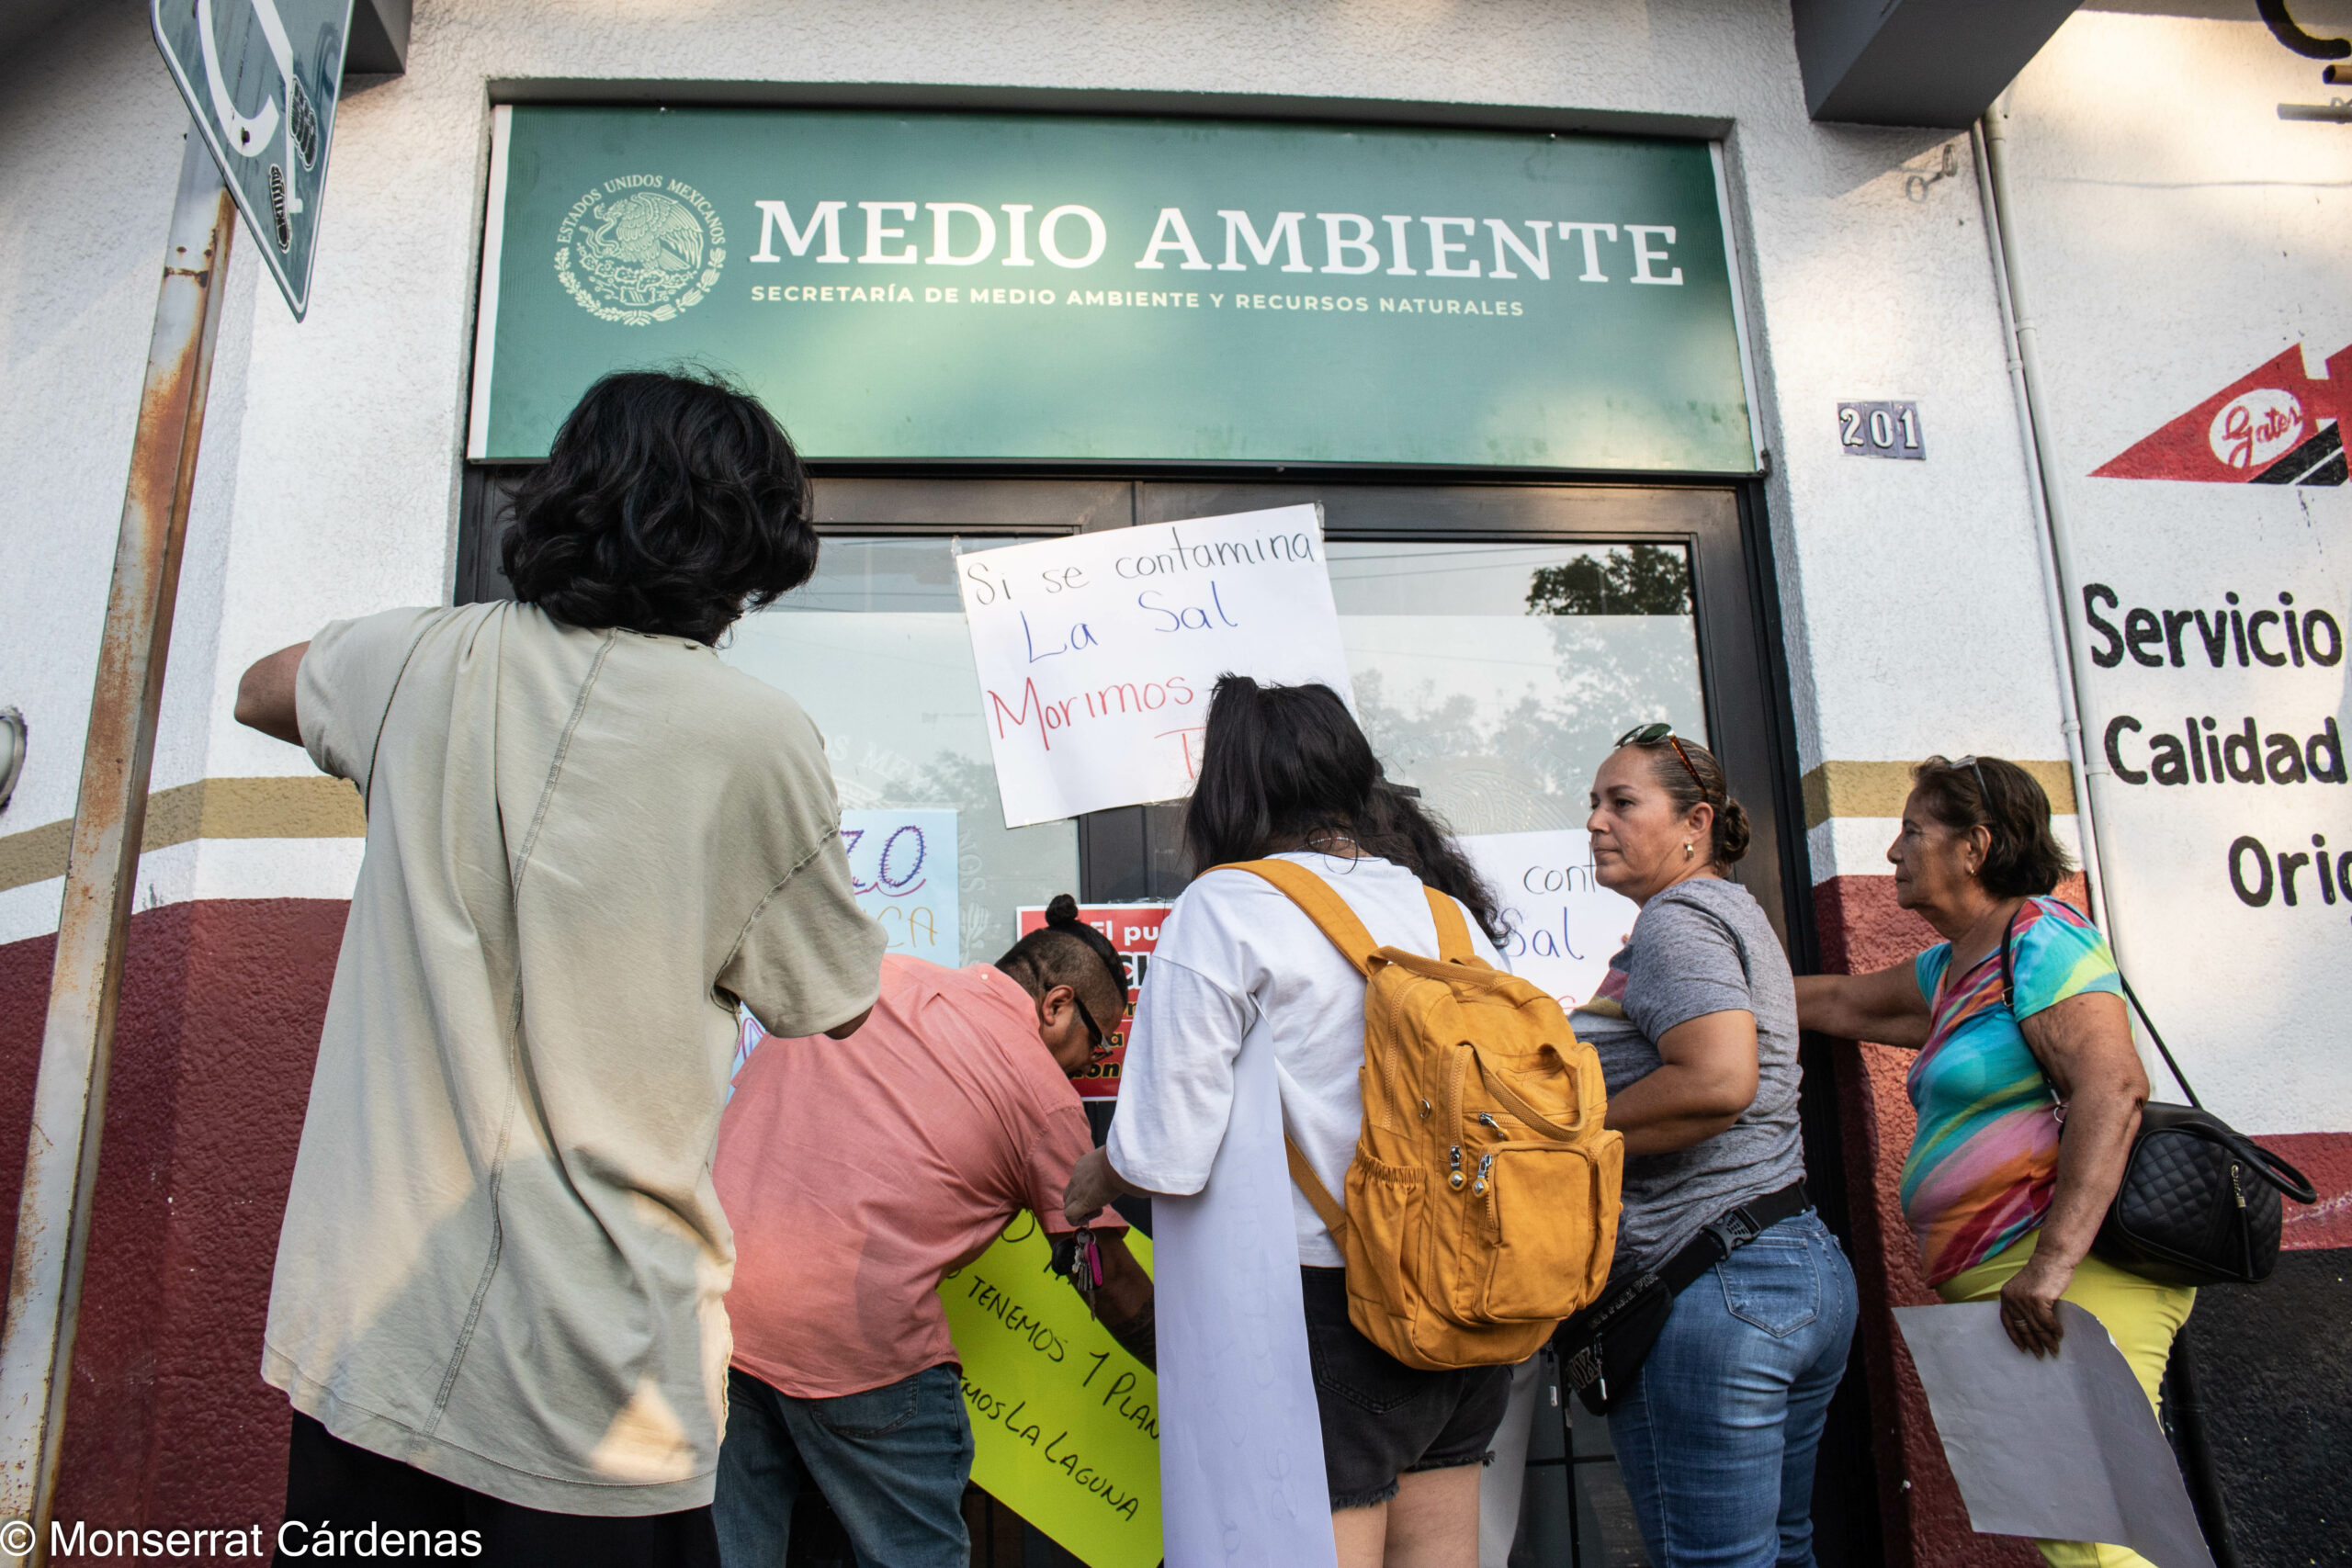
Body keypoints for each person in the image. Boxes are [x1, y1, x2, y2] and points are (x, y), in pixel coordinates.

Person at [232, 370, 886, 1564]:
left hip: (377, 1345)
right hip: (606, 1378)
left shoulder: (413, 664)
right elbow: (831, 998)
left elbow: (261, 687)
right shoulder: (755, 733)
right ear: (740, 546)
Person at [1063, 676, 1513, 1568]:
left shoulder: (1226, 909)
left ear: (1230, 787)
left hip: (1327, 1310)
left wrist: (1097, 1175)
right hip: (1470, 1292)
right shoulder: (1441, 911)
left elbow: (1166, 1155)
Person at [1795, 756, 2168, 1568]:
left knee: (2095, 1536)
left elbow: (2113, 1086)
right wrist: (1705, 983)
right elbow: (1837, 1001)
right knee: (2079, 1531)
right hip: (2008, 1279)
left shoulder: (2041, 934)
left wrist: (2052, 1264)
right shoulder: (1954, 966)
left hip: (2064, 1276)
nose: (1894, 852)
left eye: (1912, 831)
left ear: (1975, 846)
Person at [711, 897, 1155, 1567]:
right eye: (1093, 1045)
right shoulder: (1041, 1091)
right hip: (852, 1347)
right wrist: (1193, 1365)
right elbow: (1107, 1279)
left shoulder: (872, 976)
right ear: (1057, 1003)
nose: (1085, 1071)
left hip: (716, 1315)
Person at [1575, 725, 1857, 1568]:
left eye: (1622, 802)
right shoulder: (1728, 912)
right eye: (1593, 802)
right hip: (1792, 1265)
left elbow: (1717, 1080)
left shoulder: (1678, 920)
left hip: (1713, 1289)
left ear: (1695, 821)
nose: (1595, 821)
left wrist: (1567, 1136)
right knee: (1784, 1548)